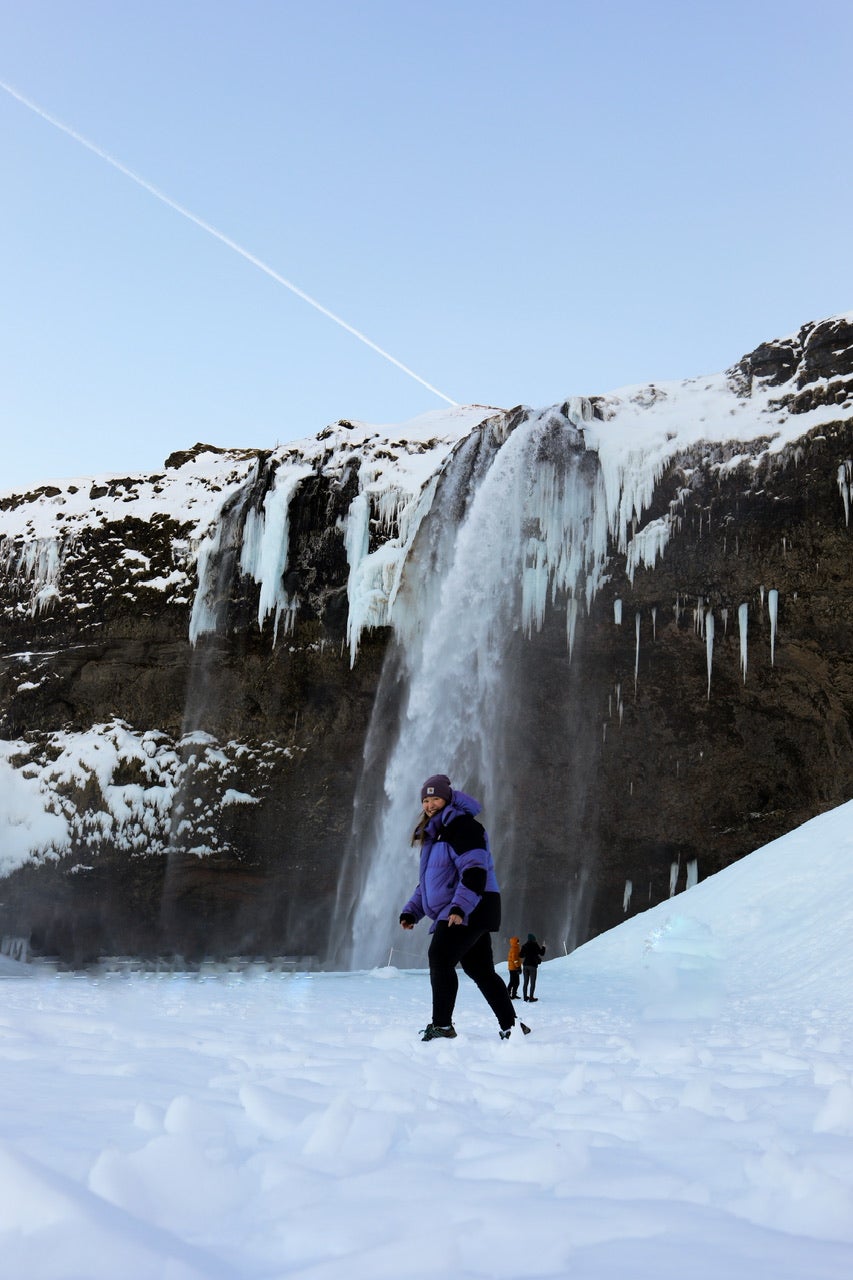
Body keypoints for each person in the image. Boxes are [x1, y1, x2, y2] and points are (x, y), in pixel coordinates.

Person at [399, 774, 528, 1042]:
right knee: (480, 970)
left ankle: (442, 1026)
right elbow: (430, 883)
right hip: (466, 906)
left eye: (435, 798)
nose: (430, 804)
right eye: (425, 799)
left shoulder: (463, 826)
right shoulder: (437, 833)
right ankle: (512, 1027)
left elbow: (474, 870)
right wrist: (412, 911)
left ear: (448, 798)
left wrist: (460, 907)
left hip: (472, 905)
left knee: (440, 957)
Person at [520, 932, 546, 1001]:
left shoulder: (524, 946)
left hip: (525, 966)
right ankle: (531, 997)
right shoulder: (535, 945)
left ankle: (525, 997)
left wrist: (525, 953)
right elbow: (542, 953)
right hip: (533, 966)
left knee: (525, 982)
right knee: (532, 982)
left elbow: (520, 955)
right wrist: (543, 946)